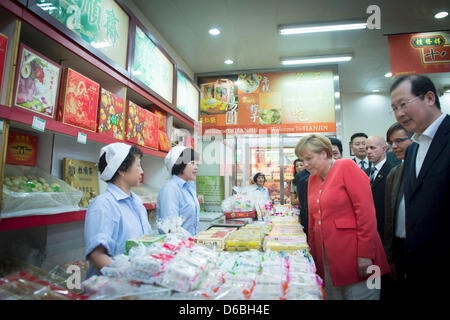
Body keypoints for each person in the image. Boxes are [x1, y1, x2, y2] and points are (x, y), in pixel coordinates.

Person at [295, 134, 389, 300]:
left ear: (324, 153)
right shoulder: (312, 179)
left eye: (309, 158)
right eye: (302, 159)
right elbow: (313, 220)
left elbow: (366, 213)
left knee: (364, 294)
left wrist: (365, 254)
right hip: (328, 256)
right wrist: (312, 253)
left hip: (358, 254)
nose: (305, 164)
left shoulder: (346, 166)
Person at [390, 75, 450, 297]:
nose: (399, 114)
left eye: (403, 104)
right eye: (394, 108)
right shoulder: (413, 148)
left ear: (430, 98)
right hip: (414, 265)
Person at [84, 143, 153, 279]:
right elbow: (97, 256)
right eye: (138, 165)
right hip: (111, 287)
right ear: (121, 169)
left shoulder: (137, 202)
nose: (142, 171)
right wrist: (127, 276)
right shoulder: (103, 205)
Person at [383, 122, 413, 299]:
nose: (394, 146)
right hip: (398, 246)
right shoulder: (395, 173)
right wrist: (389, 255)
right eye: (391, 142)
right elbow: (389, 218)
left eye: (400, 141)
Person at [157, 146, 200, 236]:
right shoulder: (170, 189)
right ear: (180, 164)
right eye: (192, 163)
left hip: (189, 245)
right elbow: (170, 228)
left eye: (197, 164)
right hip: (177, 247)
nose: (196, 167)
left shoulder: (190, 188)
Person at [365, 136, 395, 241]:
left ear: (384, 149)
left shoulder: (393, 170)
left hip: (386, 226)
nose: (368, 152)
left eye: (372, 148)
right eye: (367, 148)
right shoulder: (365, 172)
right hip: (369, 226)